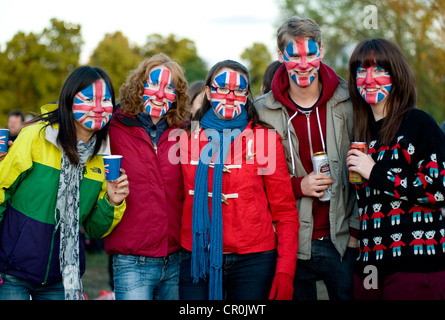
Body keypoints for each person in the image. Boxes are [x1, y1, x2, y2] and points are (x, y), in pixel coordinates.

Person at [0, 66, 129, 300]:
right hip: (12, 273)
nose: (98, 108)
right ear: (69, 100)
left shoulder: (102, 156)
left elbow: (94, 229)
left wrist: (112, 201)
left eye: (106, 100)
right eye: (89, 99)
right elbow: (1, 191)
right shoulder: (36, 137)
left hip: (62, 280)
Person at [254, 16, 359, 300]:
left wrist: (356, 232)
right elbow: (254, 182)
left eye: (311, 54)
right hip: (289, 245)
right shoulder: (261, 111)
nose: (303, 63)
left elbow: (364, 167)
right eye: (294, 55)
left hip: (342, 243)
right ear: (280, 56)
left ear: (321, 51)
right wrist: (298, 185)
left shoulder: (349, 100)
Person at [178, 59, 299, 300]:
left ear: (246, 95)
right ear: (209, 93)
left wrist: (285, 270)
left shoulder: (265, 139)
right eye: (222, 88)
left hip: (253, 260)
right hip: (198, 255)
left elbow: (285, 211)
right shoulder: (185, 137)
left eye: (239, 90)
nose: (230, 96)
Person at [346, 38, 445, 300]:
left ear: (396, 74)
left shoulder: (418, 122)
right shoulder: (363, 134)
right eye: (361, 70)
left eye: (379, 69)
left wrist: (375, 172)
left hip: (414, 266)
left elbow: (437, 189)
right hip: (369, 267)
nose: (369, 78)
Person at [103, 53, 189, 300]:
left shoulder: (183, 133)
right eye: (153, 84)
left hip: (176, 259)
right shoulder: (112, 126)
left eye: (169, 88)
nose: (160, 94)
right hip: (132, 261)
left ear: (177, 96)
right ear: (139, 87)